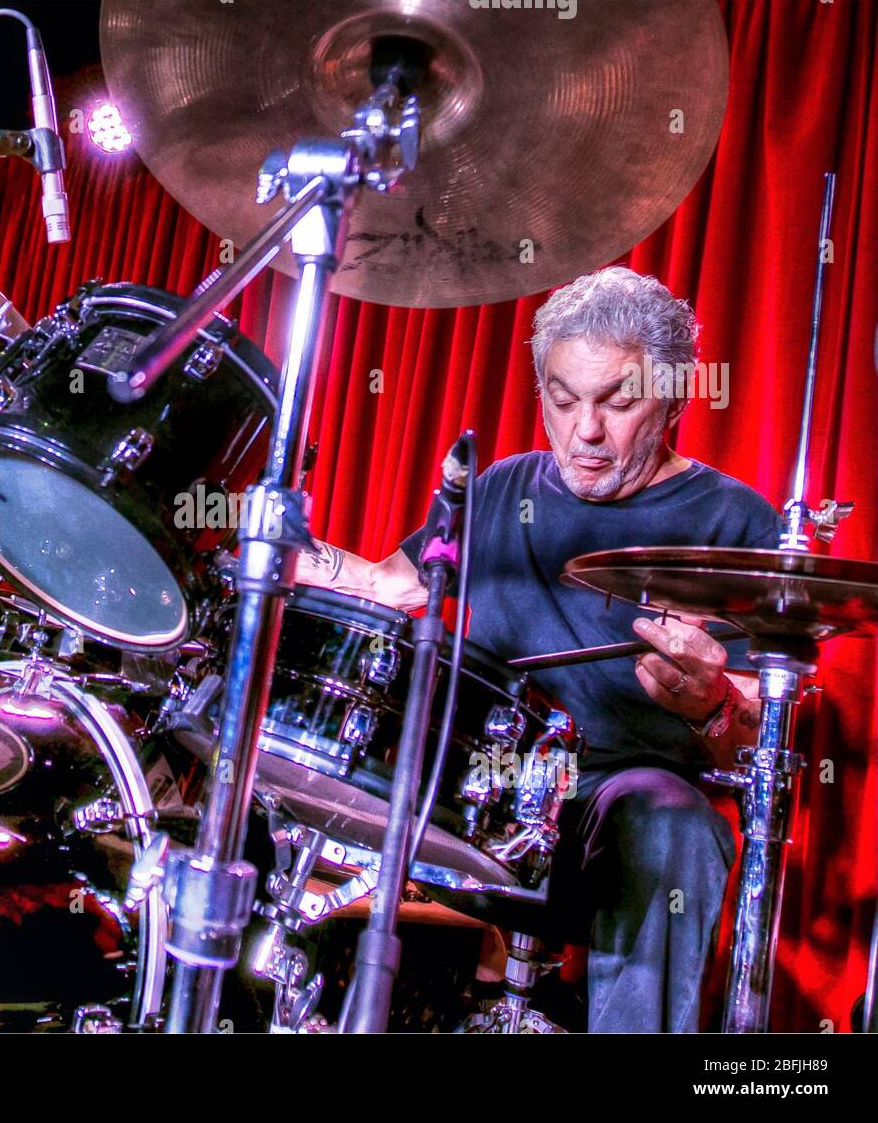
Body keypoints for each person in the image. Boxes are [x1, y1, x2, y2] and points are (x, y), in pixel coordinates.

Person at [296, 266, 780, 1032]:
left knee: (669, 818)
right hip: (472, 794)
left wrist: (714, 701)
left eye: (619, 402)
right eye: (562, 399)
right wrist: (279, 547)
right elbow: (389, 583)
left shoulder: (736, 524)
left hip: (608, 813)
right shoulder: (503, 486)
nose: (586, 430)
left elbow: (761, 733)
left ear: (677, 397)